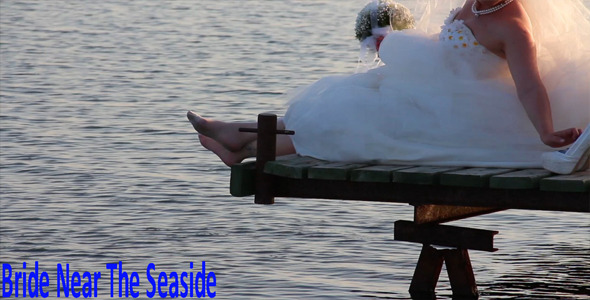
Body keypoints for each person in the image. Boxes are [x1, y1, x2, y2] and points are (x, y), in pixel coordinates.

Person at [188, 0, 590, 172]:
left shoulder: (513, 26)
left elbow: (530, 87)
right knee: (347, 106)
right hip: (436, 90)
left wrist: (545, 131)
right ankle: (238, 142)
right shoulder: (478, 2)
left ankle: (238, 141)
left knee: (347, 120)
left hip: (461, 112)